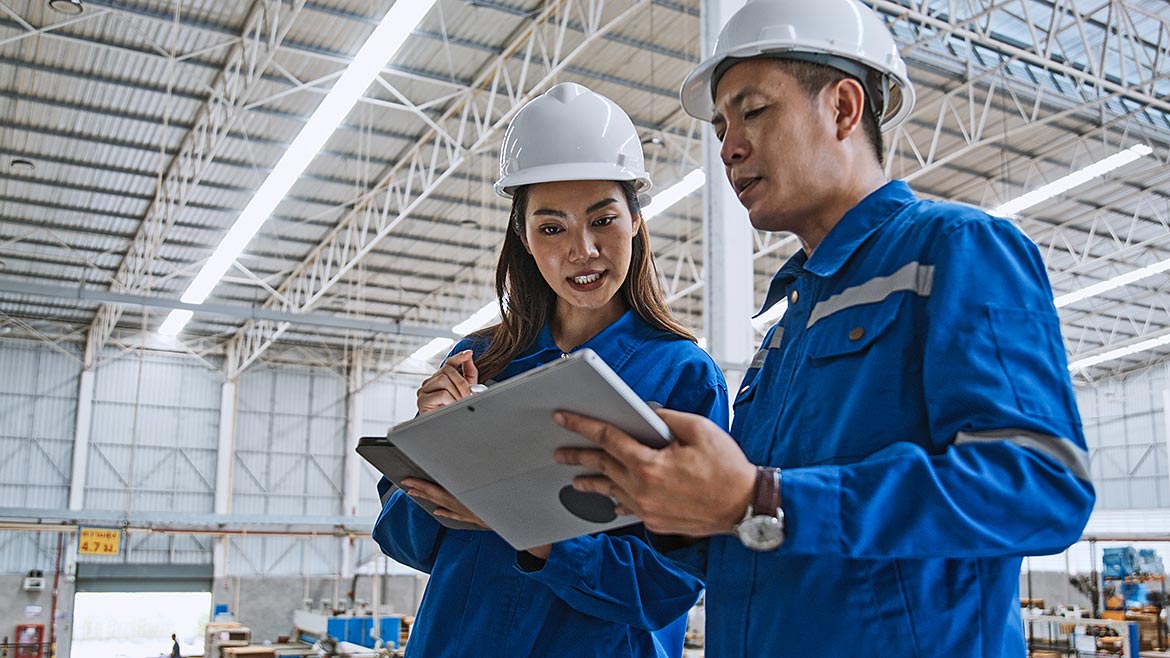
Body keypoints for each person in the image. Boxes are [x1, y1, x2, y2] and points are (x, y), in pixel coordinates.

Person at [552, 1, 1097, 656]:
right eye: (723, 124)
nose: (727, 146)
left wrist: (763, 499)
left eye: (752, 111)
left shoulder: (956, 251)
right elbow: (765, 540)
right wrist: (679, 504)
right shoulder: (791, 323)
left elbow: (1041, 488)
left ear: (842, 108)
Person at [372, 82, 729, 658]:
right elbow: (405, 544)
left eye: (604, 219)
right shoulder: (480, 359)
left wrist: (522, 525)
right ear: (524, 237)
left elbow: (672, 583)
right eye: (552, 227)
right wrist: (428, 445)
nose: (582, 250)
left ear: (637, 220)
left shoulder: (682, 377)